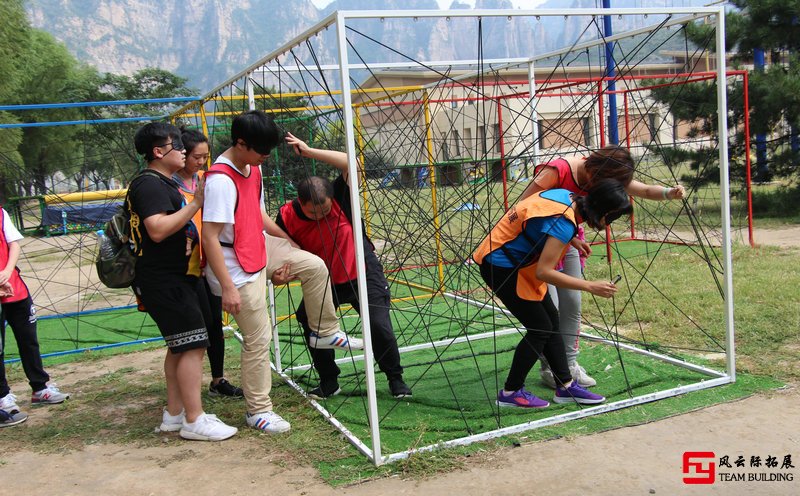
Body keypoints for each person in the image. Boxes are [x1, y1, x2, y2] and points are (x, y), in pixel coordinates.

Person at [519, 145, 686, 389]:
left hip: (568, 237)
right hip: (539, 241)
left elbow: (645, 190)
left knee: (572, 302)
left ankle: (570, 363)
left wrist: (670, 193)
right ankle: (551, 367)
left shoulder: (607, 176)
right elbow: (524, 207)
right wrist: (566, 234)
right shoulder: (558, 171)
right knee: (549, 307)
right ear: (596, 169)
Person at [473, 179, 634, 408]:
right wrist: (589, 286)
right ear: (603, 210)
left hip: (510, 260)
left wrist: (573, 240)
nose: (609, 224)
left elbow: (540, 222)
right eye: (613, 217)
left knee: (550, 321)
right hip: (500, 266)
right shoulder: (563, 224)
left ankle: (565, 386)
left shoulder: (566, 196)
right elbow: (545, 272)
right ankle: (511, 391)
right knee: (540, 329)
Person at [277, 132, 411, 400]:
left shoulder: (341, 194)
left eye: (325, 211)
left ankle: (395, 379)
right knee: (310, 324)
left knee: (379, 325)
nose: (321, 216)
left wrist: (309, 151)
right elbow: (280, 249)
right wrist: (281, 269)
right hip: (324, 283)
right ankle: (329, 380)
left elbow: (353, 163)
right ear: (301, 203)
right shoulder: (286, 215)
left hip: (362, 272)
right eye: (314, 212)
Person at [130, 122, 237, 441]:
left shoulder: (161, 182)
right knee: (193, 345)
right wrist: (195, 205)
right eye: (176, 145)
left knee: (180, 347)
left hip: (176, 277)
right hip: (166, 280)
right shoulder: (150, 184)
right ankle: (194, 418)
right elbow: (158, 229)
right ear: (158, 151)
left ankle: (175, 414)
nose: (182, 150)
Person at [174, 128, 243, 398]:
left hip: (209, 262)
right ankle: (184, 387)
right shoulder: (169, 186)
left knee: (215, 323)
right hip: (186, 268)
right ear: (182, 154)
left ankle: (218, 380)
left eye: (205, 156)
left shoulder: (208, 180)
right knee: (193, 328)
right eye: (196, 157)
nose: (201, 162)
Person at [0, 207, 70, 428]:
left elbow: (14, 244)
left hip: (14, 288)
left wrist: (6, 272)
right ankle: (3, 397)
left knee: (28, 339)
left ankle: (40, 388)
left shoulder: (1, 213)